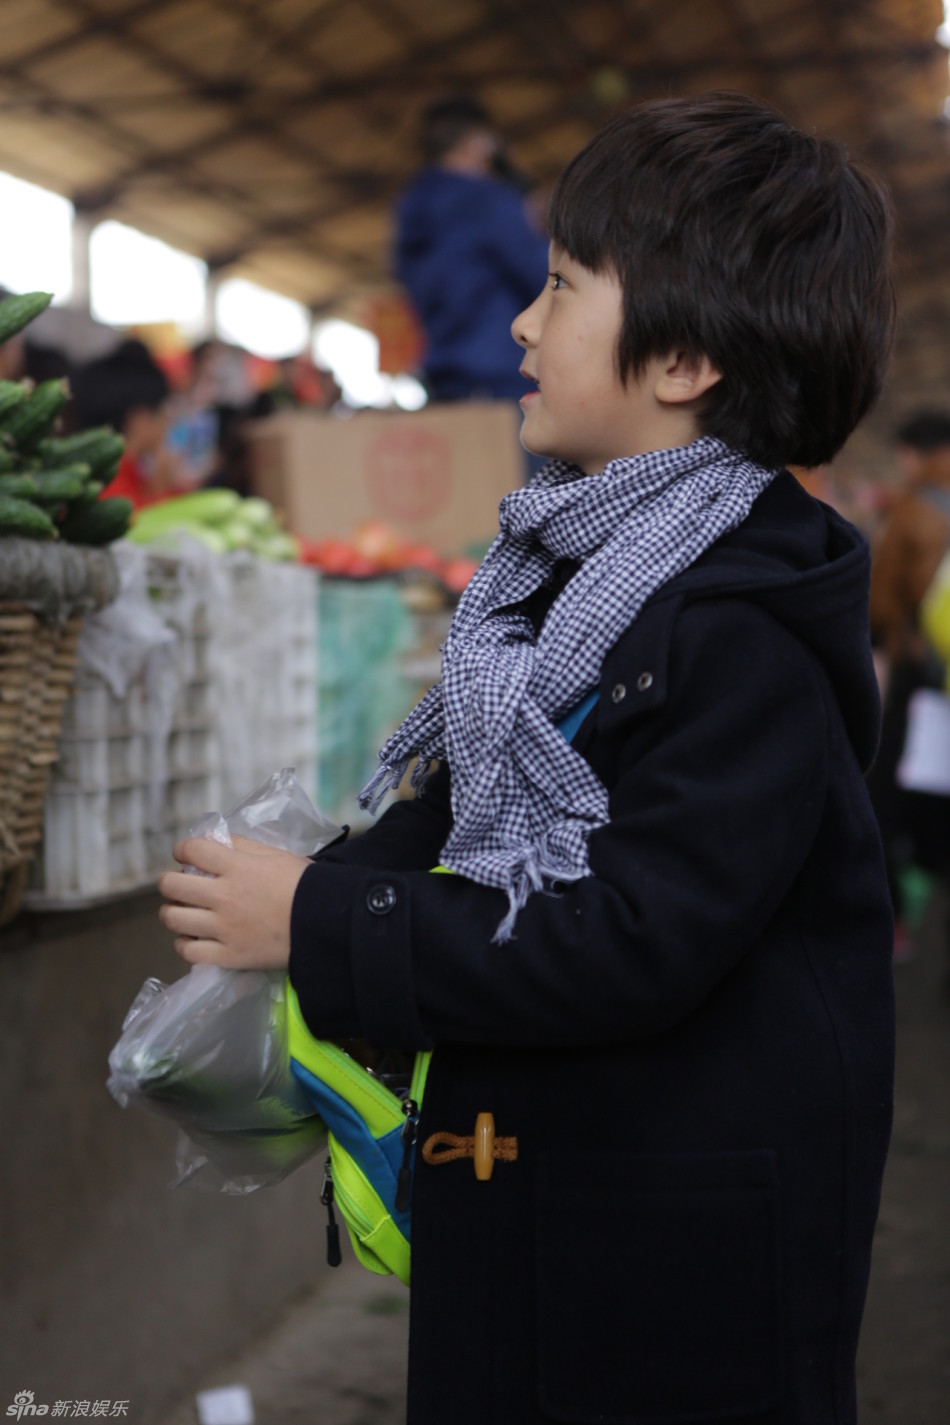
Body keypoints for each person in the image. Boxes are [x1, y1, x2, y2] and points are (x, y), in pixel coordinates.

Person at [159, 93, 896, 1425]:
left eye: (558, 288)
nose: (518, 321)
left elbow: (627, 936)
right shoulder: (580, 580)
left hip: (682, 1268)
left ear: (679, 363)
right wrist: (317, 879)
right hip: (552, 1200)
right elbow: (470, 799)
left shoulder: (744, 631)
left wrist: (325, 917)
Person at [394, 95, 549, 404]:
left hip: (444, 377)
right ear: (479, 142)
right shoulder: (489, 199)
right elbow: (544, 277)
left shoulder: (410, 207)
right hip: (505, 373)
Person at [867, 410, 950, 954]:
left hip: (921, 674)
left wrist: (879, 652)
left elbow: (882, 598)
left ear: (912, 452)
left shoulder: (916, 508)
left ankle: (893, 918)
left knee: (889, 789)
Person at [72, 338, 187, 510]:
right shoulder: (112, 485)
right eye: (163, 411)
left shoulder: (93, 471)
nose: (168, 422)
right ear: (140, 419)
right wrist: (161, 489)